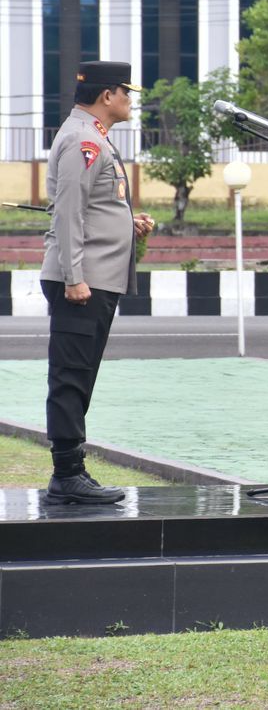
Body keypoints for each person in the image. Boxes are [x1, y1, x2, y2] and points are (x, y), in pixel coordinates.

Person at [39, 59, 155, 504]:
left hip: (96, 278)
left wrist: (128, 222)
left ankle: (71, 470)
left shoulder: (92, 137)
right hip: (83, 282)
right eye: (126, 93)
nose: (130, 101)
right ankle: (67, 474)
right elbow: (68, 212)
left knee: (80, 375)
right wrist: (73, 277)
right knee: (70, 376)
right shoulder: (84, 141)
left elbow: (93, 206)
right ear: (107, 96)